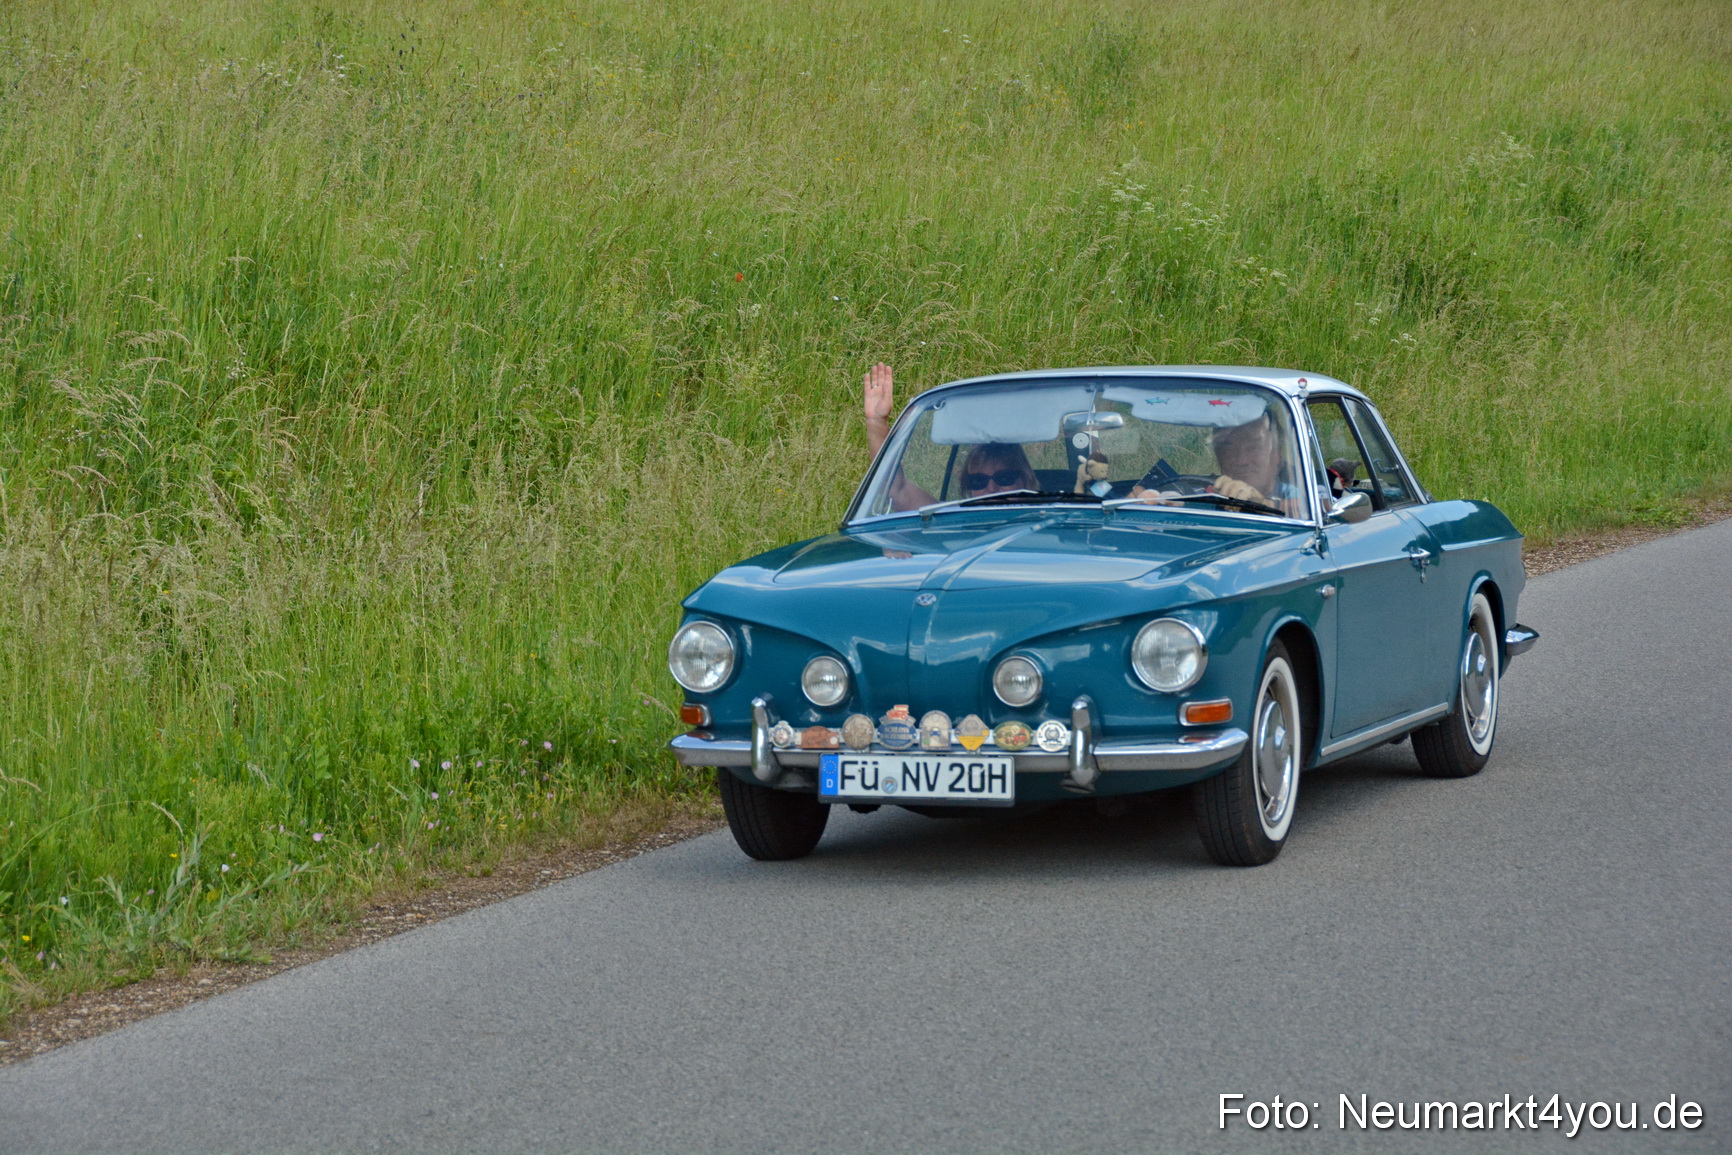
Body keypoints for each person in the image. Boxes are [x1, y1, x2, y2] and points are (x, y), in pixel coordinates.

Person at [862, 362, 1038, 510]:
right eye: (978, 482)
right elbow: (895, 489)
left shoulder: (1055, 520)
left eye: (1004, 478)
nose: (991, 489)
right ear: (967, 488)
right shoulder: (956, 521)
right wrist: (877, 422)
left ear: (1025, 479)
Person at [1129, 409, 1304, 517]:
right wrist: (1139, 500)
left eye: (1253, 446)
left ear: (1277, 455)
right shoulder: (1203, 493)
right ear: (1218, 455)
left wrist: (1260, 504)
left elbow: (1320, 508)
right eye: (1228, 446)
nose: (1241, 460)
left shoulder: (1303, 497)